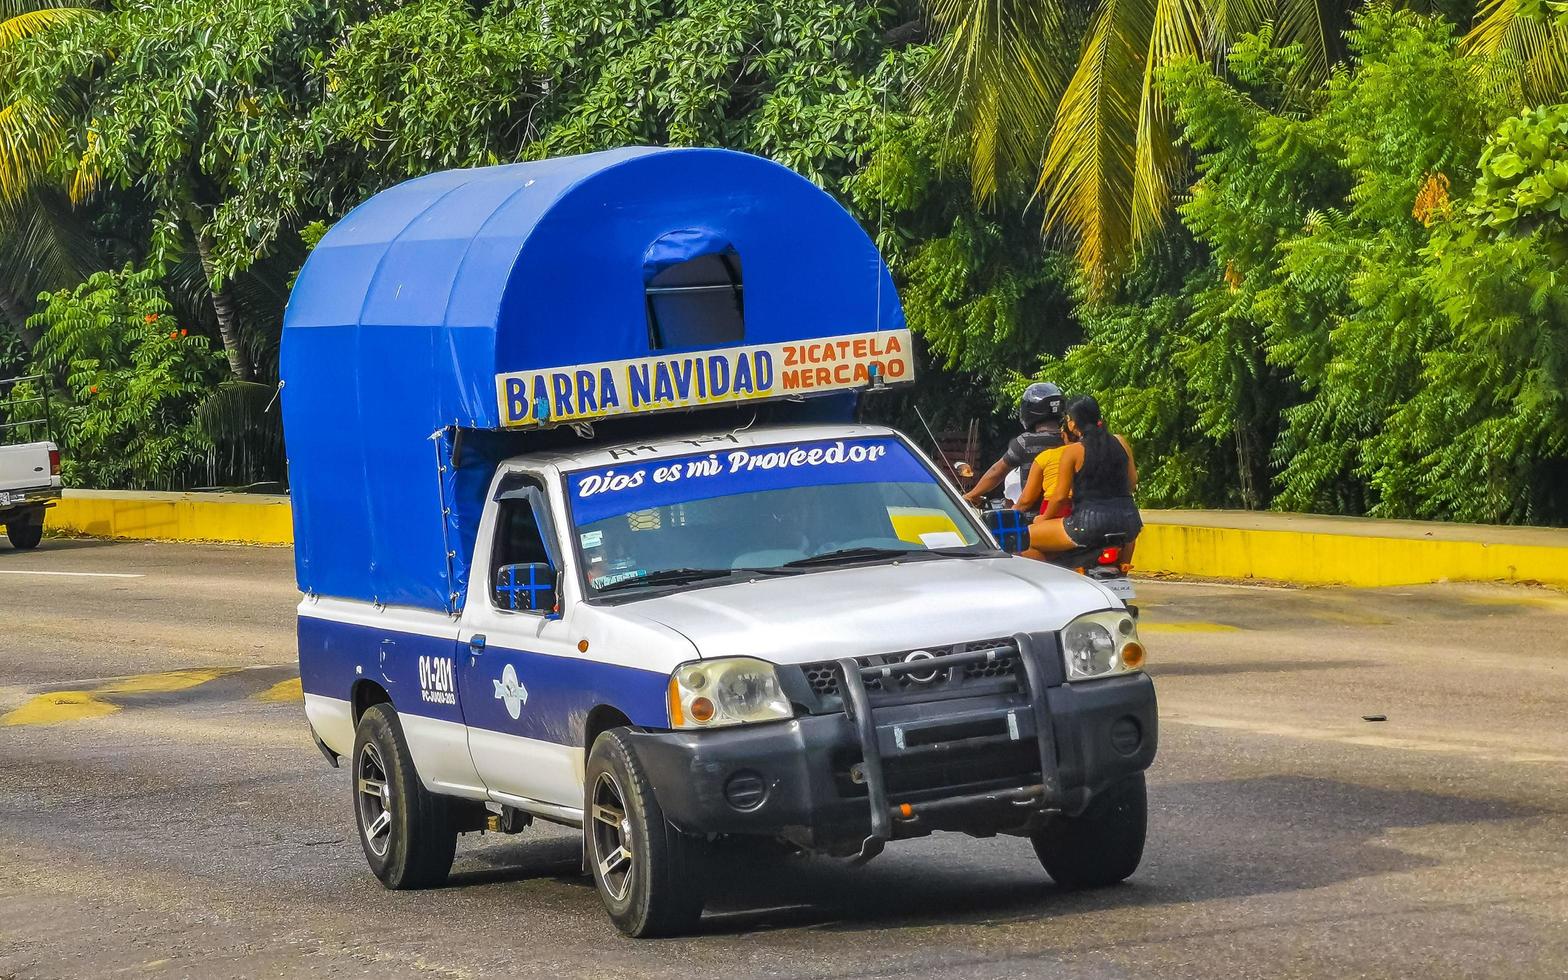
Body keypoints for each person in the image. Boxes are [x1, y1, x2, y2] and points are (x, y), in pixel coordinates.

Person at [1022, 395, 1141, 560]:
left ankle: (1053, 582)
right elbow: (1132, 482)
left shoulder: (1072, 452)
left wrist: (1043, 518)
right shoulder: (1121, 441)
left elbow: (1060, 497)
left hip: (1087, 525)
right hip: (1129, 522)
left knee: (1024, 538)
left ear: (1072, 423)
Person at [962, 382, 1067, 510]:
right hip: (1071, 516)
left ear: (1029, 411)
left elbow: (997, 472)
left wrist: (971, 495)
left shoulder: (1025, 442)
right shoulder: (1072, 441)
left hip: (1033, 518)